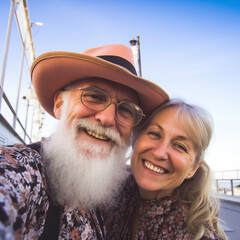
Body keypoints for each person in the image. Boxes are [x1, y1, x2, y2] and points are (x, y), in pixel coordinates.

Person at [0, 44, 169, 239]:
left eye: (126, 110)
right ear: (60, 104)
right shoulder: (20, 171)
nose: (107, 118)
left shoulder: (118, 188)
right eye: (94, 96)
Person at [104, 99, 227, 240]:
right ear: (135, 139)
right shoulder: (108, 186)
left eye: (180, 146)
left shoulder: (195, 236)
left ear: (192, 169)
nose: (159, 153)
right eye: (155, 134)